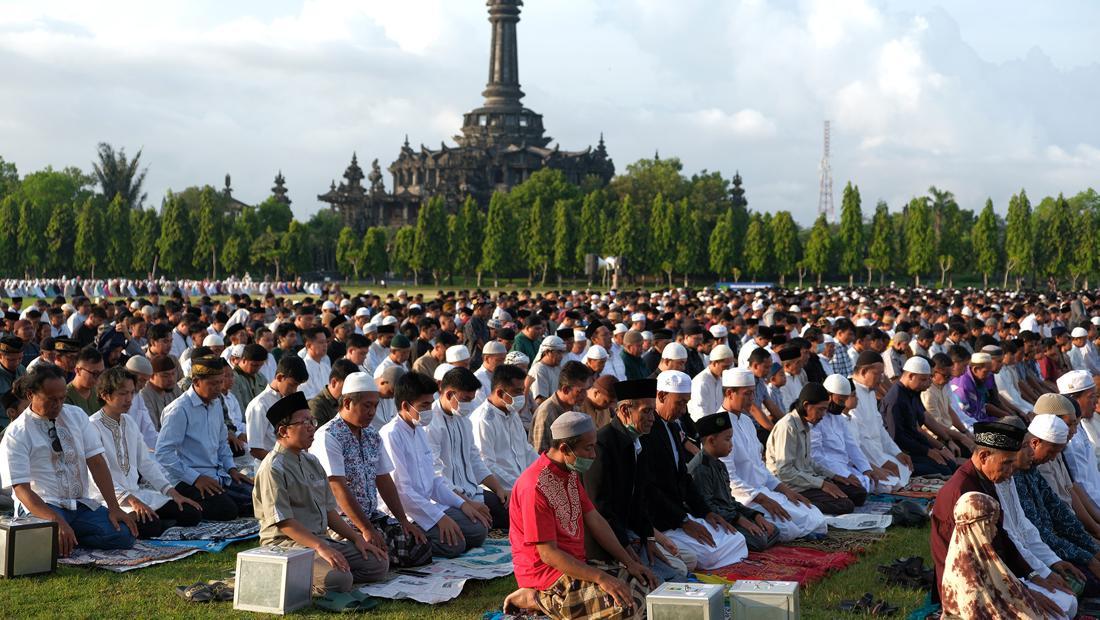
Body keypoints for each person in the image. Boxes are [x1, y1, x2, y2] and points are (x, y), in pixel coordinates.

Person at [502, 411, 657, 619]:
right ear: (565, 448)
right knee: (628, 607)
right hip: (548, 577)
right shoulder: (534, 486)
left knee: (649, 588)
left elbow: (596, 519)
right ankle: (535, 598)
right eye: (589, 448)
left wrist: (629, 561)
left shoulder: (569, 472)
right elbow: (548, 554)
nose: (594, 454)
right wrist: (601, 577)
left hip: (577, 566)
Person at [252, 391, 390, 595]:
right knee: (340, 579)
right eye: (303, 422)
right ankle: (296, 577)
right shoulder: (273, 468)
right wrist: (320, 547)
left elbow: (330, 512)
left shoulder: (311, 461)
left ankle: (322, 576)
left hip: (319, 540)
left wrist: (357, 539)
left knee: (379, 563)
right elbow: (284, 523)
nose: (311, 427)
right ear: (283, 431)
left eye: (312, 421)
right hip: (288, 545)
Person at [930, 420, 1072, 617]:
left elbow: (1002, 536)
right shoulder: (963, 494)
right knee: (1056, 614)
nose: (1010, 472)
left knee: (1066, 602)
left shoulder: (985, 480)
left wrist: (1032, 575)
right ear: (984, 456)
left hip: (999, 575)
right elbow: (975, 564)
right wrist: (1023, 592)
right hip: (971, 587)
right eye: (1006, 464)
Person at [0, 365, 138, 556]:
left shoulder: (76, 415)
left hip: (79, 505)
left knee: (124, 535)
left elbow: (96, 462)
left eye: (62, 398)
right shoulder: (16, 433)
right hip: (43, 507)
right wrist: (56, 521)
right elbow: (22, 490)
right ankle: (62, 537)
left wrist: (113, 507)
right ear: (31, 395)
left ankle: (70, 538)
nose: (58, 404)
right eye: (51, 399)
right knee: (47, 545)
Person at [310, 372, 433, 569]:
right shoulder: (328, 436)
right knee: (377, 562)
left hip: (371, 515)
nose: (372, 412)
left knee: (420, 547)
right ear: (348, 403)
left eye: (375, 406)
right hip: (341, 522)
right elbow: (337, 489)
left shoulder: (371, 435)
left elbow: (384, 480)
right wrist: (366, 529)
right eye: (367, 406)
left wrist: (403, 521)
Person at [584, 379, 696, 582]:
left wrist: (649, 538)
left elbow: (640, 499)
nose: (652, 418)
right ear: (626, 410)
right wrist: (628, 552)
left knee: (683, 564)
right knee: (667, 578)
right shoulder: (602, 445)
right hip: (608, 541)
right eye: (646, 411)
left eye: (653, 411)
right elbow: (601, 509)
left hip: (633, 534)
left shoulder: (637, 441)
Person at [640, 370, 748, 570]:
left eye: (686, 403)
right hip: (663, 521)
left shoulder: (672, 428)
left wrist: (705, 512)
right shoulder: (647, 431)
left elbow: (684, 478)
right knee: (707, 554)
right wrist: (683, 521)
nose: (683, 410)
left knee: (736, 537)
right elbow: (650, 489)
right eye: (679, 402)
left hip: (680, 515)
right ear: (662, 396)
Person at [379, 371, 489, 558]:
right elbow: (403, 492)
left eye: (430, 404)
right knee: (455, 545)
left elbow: (434, 481)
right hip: (406, 513)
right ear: (405, 405)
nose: (430, 410)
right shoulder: (391, 435)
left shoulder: (419, 430)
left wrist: (463, 504)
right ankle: (411, 540)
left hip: (428, 505)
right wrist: (439, 518)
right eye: (424, 405)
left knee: (478, 530)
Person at [89, 367, 202, 538]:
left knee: (190, 513)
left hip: (137, 493)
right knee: (151, 526)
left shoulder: (129, 422)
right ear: (105, 395)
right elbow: (97, 475)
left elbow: (146, 463)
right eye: (122, 394)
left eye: (131, 393)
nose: (129, 399)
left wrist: (172, 492)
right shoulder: (92, 427)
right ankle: (152, 522)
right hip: (110, 500)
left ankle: (159, 521)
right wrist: (132, 501)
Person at [716, 367, 826, 541]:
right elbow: (729, 480)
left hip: (764, 491)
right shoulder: (718, 426)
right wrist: (763, 500)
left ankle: (800, 530)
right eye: (747, 394)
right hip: (745, 498)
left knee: (815, 515)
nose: (752, 399)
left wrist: (785, 490)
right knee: (788, 528)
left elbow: (760, 467)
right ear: (730, 393)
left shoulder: (746, 421)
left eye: (753, 393)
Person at [155, 356, 254, 521]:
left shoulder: (215, 403)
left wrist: (232, 469)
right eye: (213, 384)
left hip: (215, 474)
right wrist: (196, 478)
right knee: (228, 510)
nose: (218, 388)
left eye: (220, 382)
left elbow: (222, 442)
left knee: (254, 494)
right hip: (186, 479)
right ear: (196, 381)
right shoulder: (179, 410)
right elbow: (163, 453)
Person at [941, 492, 1064, 620]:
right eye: (991, 524)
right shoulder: (965, 570)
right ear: (978, 526)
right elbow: (976, 613)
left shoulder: (983, 553)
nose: (995, 530)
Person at [1016, 411, 1100, 591]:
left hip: (1055, 546)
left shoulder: (1032, 471)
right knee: (1084, 584)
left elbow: (1060, 513)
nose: (1053, 457)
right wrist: (1088, 557)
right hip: (1040, 554)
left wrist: (1093, 548)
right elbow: (1039, 532)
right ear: (1035, 443)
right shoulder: (1015, 475)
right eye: (1052, 451)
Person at [426, 367, 509, 529]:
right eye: (465, 399)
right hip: (447, 497)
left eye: (471, 400)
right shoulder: (431, 424)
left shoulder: (463, 420)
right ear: (449, 394)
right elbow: (436, 475)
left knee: (509, 511)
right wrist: (466, 503)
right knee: (477, 529)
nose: (468, 405)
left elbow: (475, 459)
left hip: (471, 491)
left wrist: (499, 489)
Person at [766, 382, 867, 515]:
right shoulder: (787, 427)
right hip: (791, 485)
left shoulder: (806, 424)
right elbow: (785, 472)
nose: (823, 414)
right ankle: (793, 505)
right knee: (845, 504)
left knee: (858, 492)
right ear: (806, 405)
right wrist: (822, 484)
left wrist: (835, 476)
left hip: (806, 478)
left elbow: (809, 462)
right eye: (820, 409)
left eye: (825, 409)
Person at [689, 412, 780, 551]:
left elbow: (730, 501)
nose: (731, 445)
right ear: (712, 441)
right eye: (728, 439)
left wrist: (754, 516)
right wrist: (740, 520)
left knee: (773, 529)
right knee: (759, 539)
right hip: (714, 520)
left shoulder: (719, 464)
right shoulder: (701, 468)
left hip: (729, 515)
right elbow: (707, 507)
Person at [880, 356, 960, 477]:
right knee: (944, 470)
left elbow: (916, 428)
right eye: (923, 380)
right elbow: (896, 437)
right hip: (901, 453)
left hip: (915, 448)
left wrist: (939, 448)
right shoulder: (895, 399)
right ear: (911, 376)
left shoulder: (913, 392)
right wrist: (928, 452)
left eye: (928, 379)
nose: (928, 384)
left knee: (949, 464)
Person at [812, 374, 891, 493]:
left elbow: (851, 446)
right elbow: (817, 457)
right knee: (858, 491)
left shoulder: (838, 418)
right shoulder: (816, 418)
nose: (842, 405)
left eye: (844, 401)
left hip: (844, 467)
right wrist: (843, 474)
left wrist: (866, 469)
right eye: (840, 401)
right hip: (828, 471)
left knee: (879, 485)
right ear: (828, 396)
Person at [470, 364, 539, 495]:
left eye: (522, 390)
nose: (521, 396)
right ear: (500, 393)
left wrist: (546, 469)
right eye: (517, 391)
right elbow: (486, 464)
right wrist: (520, 485)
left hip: (521, 487)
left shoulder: (512, 413)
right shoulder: (483, 420)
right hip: (498, 491)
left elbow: (526, 450)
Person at [850, 351, 913, 490]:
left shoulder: (870, 392)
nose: (881, 379)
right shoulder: (851, 393)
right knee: (886, 485)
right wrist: (882, 461)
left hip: (878, 451)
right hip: (864, 456)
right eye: (878, 374)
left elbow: (880, 428)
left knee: (904, 467)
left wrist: (897, 452)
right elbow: (860, 439)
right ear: (864, 371)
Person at [245, 354, 309, 464]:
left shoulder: (291, 400)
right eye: (292, 385)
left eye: (297, 386)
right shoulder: (259, 405)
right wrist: (283, 463)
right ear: (279, 377)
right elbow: (255, 450)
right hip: (270, 468)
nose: (294, 390)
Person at [530, 361, 594, 454]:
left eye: (586, 390)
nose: (585, 395)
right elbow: (539, 453)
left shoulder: (575, 408)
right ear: (565, 389)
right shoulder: (546, 413)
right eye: (580, 391)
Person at [309, 359, 360, 428]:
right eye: (347, 387)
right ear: (334, 382)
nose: (350, 391)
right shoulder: (316, 406)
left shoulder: (348, 402)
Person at [687, 344, 733, 421]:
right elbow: (699, 413)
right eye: (725, 367)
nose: (727, 370)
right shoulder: (701, 382)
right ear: (714, 363)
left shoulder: (721, 379)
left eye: (729, 367)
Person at [142, 355, 181, 431]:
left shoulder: (174, 387)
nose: (171, 379)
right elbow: (152, 430)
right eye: (165, 376)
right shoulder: (144, 395)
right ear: (152, 376)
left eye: (173, 374)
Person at [230, 343, 268, 416]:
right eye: (254, 365)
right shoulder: (233, 379)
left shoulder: (260, 377)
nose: (258, 368)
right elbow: (239, 410)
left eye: (261, 365)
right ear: (244, 360)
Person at [65, 346, 104, 415]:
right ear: (78, 370)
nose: (98, 379)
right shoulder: (65, 397)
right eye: (94, 374)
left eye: (101, 373)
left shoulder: (99, 393)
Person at [529, 336, 566, 404]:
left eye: (562, 352)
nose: (561, 356)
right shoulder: (539, 370)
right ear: (547, 352)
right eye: (558, 352)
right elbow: (540, 400)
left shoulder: (557, 367)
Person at [299, 326, 332, 400]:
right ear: (309, 345)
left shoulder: (326, 367)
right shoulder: (303, 368)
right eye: (321, 342)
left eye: (326, 342)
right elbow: (308, 397)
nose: (325, 345)